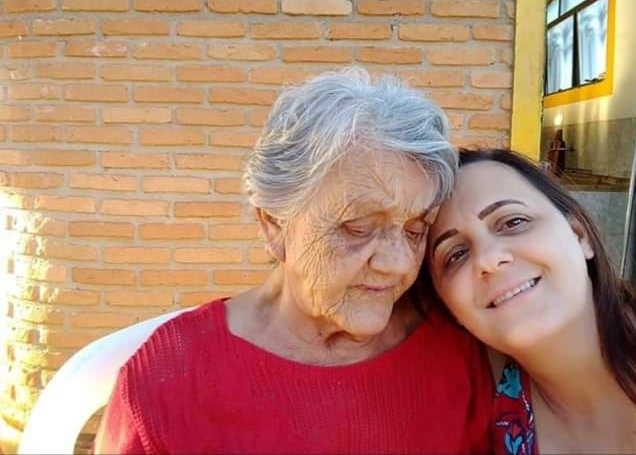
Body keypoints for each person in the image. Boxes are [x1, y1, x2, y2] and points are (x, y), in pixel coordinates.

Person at [94, 68, 494, 454]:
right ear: (273, 224)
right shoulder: (168, 380)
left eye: (415, 229)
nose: (398, 264)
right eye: (357, 227)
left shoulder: (452, 352)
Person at [427, 148, 636, 454]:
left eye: (513, 222)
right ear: (449, 307)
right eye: (455, 255)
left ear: (579, 235)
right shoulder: (485, 402)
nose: (488, 259)